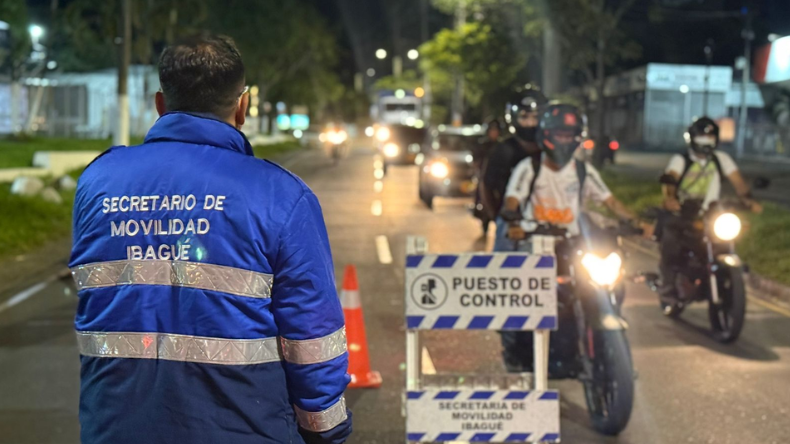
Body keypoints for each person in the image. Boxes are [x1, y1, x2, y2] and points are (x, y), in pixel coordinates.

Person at [69, 34, 351, 444]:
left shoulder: (97, 183)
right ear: (243, 106)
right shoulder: (281, 196)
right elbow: (312, 334)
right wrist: (326, 429)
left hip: (113, 431)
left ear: (160, 104)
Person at [498, 103, 640, 372]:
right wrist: (514, 221)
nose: (564, 140)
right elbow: (513, 199)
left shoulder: (583, 170)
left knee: (610, 283)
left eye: (569, 135)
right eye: (559, 135)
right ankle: (519, 349)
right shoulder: (529, 167)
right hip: (536, 242)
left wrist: (636, 223)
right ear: (546, 135)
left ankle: (604, 341)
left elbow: (610, 201)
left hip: (573, 244)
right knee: (523, 294)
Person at [657, 116, 761, 303]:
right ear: (692, 138)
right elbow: (670, 179)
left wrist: (749, 200)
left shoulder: (721, 159)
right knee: (671, 243)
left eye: (710, 136)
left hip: (711, 214)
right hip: (683, 213)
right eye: (701, 136)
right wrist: (670, 199)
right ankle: (668, 286)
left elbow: (738, 182)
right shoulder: (681, 159)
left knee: (726, 239)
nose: (706, 141)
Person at [481, 84, 547, 250]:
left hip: (546, 222)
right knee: (506, 264)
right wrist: (498, 216)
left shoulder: (550, 151)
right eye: (524, 117)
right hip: (511, 224)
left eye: (535, 117)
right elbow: (486, 186)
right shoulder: (502, 151)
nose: (530, 123)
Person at [472, 118, 502, 235]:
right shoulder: (482, 146)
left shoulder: (501, 146)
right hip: (485, 178)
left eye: (496, 130)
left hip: (498, 179)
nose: (494, 133)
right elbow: (476, 161)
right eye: (492, 130)